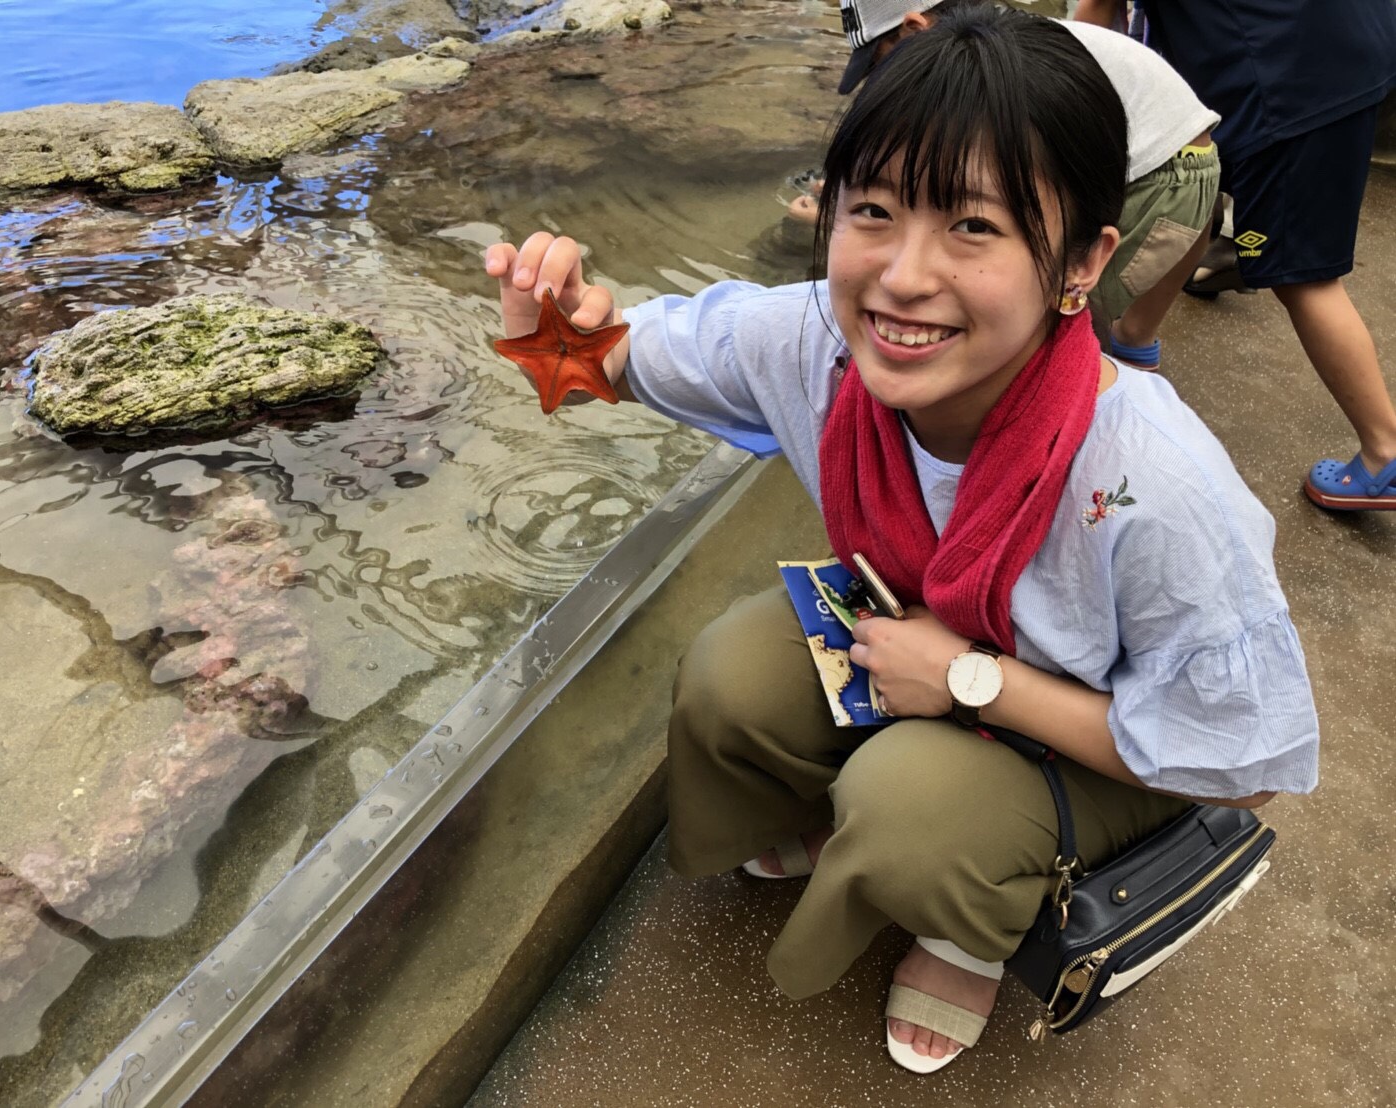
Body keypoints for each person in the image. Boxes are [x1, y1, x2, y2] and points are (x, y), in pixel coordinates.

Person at [486, 5, 1319, 1072]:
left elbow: (1243, 757)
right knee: (731, 675)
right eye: (871, 210)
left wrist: (976, 682)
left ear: (1079, 259)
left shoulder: (1147, 481)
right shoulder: (812, 340)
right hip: (920, 646)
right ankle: (864, 826)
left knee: (905, 814)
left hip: (1103, 727)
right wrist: (545, 329)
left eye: (972, 227)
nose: (901, 277)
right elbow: (602, 361)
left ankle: (961, 912)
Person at [1076, 0, 1396, 510]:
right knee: (1201, 173)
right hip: (1346, 32)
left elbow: (1093, 18)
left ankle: (1386, 452)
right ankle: (1134, 337)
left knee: (1303, 276)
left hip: (1292, 73)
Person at [796, 0, 1222, 374]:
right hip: (1182, 153)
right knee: (1121, 330)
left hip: (1161, 174)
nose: (881, 82)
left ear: (914, 30)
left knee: (1062, 314)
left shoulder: (1004, 75)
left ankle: (1085, 411)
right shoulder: (1001, 46)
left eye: (879, 64)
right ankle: (1130, 359)